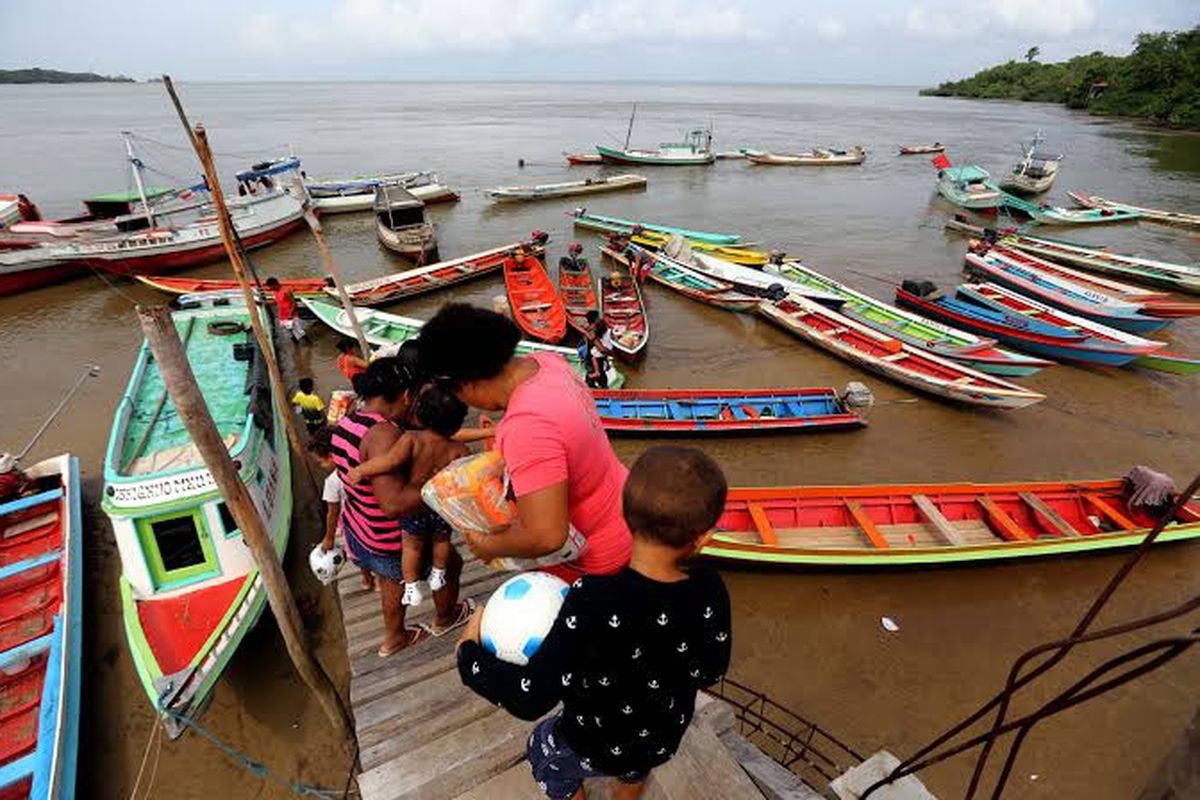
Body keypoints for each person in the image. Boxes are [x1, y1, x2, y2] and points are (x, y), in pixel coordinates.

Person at [456, 446, 733, 800]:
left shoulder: (591, 598)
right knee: (634, 767)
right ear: (704, 537)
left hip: (593, 740)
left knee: (543, 751)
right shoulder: (710, 587)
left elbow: (529, 697)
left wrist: (469, 654)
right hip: (661, 735)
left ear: (622, 511)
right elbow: (711, 669)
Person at [417, 303, 632, 580]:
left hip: (594, 555)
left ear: (467, 383)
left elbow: (547, 536)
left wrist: (487, 546)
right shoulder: (549, 363)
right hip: (625, 506)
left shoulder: (526, 426)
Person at [332, 353, 471, 656]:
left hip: (361, 527)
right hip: (390, 534)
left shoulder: (349, 418)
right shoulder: (384, 434)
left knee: (392, 579)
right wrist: (443, 482)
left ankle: (395, 637)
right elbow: (394, 504)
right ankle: (445, 617)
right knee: (450, 563)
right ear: (406, 395)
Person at [346, 385, 470, 607]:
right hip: (440, 507)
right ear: (457, 422)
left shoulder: (412, 439)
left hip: (416, 508)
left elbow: (389, 461)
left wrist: (362, 470)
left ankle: (411, 587)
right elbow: (463, 480)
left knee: (412, 546)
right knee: (442, 540)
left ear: (420, 414)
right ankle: (438, 573)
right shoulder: (459, 449)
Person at [307, 426, 375, 592]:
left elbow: (332, 512)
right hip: (369, 516)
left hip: (349, 524)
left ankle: (367, 578)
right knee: (373, 549)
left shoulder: (331, 482)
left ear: (331, 455)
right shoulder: (361, 466)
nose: (322, 466)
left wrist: (329, 537)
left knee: (356, 554)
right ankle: (379, 579)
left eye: (321, 461)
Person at [579, 310, 612, 391]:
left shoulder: (595, 333)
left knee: (599, 379)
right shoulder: (593, 333)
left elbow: (603, 350)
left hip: (595, 363)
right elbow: (602, 350)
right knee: (596, 381)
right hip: (592, 364)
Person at [265, 277, 304, 342]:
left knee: (299, 331)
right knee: (288, 332)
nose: (270, 289)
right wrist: (265, 302)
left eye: (271, 287)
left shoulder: (286, 291)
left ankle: (309, 344)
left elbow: (294, 303)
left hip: (290, 315)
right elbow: (276, 301)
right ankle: (296, 345)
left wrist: (290, 315)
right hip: (282, 315)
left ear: (275, 284)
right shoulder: (276, 292)